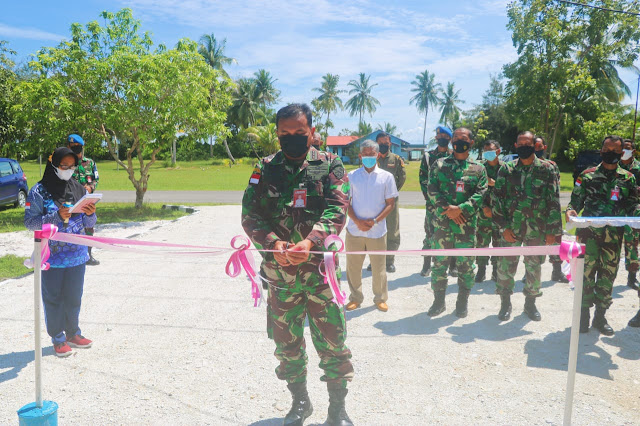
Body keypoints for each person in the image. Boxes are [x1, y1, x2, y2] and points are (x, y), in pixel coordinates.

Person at [241, 103, 353, 426]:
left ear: (312, 133)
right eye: (284, 134)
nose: (291, 139)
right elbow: (250, 214)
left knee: (333, 341)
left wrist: (311, 241)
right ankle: (300, 402)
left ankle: (337, 409)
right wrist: (273, 243)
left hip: (319, 274)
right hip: (280, 277)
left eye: (299, 134)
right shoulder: (265, 168)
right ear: (277, 134)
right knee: (286, 343)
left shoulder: (328, 165)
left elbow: (337, 207)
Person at [24, 147, 97, 357]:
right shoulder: (38, 191)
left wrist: (91, 214)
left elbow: (89, 222)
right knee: (53, 298)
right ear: (54, 164)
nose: (68, 170)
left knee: (74, 297)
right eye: (63, 166)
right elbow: (30, 223)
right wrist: (56, 216)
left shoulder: (79, 189)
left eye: (72, 167)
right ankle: (57, 338)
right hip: (51, 258)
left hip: (77, 255)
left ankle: (73, 333)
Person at [566, 135, 640, 336]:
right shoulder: (587, 176)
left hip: (613, 239)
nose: (612, 154)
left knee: (607, 278)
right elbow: (575, 202)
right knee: (585, 276)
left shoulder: (628, 178)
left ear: (621, 153)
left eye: (616, 151)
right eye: (608, 150)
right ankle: (583, 317)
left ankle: (600, 317)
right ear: (601, 150)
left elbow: (632, 204)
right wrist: (571, 211)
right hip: (588, 237)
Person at [492, 131, 561, 322]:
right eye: (520, 143)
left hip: (536, 229)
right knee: (505, 267)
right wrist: (503, 227)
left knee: (534, 267)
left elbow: (553, 200)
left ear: (534, 145)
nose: (524, 146)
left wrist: (552, 231)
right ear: (515, 145)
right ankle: (505, 303)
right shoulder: (506, 169)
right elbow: (497, 199)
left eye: (527, 143)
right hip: (511, 228)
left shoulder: (547, 169)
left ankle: (530, 304)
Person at [427, 128, 487, 318]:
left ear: (471, 142)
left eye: (463, 139)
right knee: (439, 264)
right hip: (442, 225)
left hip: (466, 227)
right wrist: (449, 210)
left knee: (466, 265)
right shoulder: (439, 164)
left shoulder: (479, 168)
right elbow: (432, 188)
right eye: (456, 139)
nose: (459, 142)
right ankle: (438, 301)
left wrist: (461, 209)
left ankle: (462, 302)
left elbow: (482, 193)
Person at [345, 139, 398, 312]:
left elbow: (390, 203)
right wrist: (357, 221)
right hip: (355, 230)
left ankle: (380, 298)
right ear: (360, 156)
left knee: (379, 268)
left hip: (377, 231)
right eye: (365, 154)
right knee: (353, 267)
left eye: (372, 154)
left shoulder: (387, 177)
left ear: (378, 155)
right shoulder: (351, 176)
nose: (368, 157)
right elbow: (346, 202)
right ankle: (355, 298)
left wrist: (375, 221)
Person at [419, 125, 457, 277]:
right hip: (433, 205)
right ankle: (427, 264)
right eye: (438, 135)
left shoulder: (454, 155)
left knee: (452, 233)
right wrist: (431, 200)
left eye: (444, 136)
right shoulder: (428, 156)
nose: (440, 138)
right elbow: (423, 180)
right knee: (430, 233)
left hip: (451, 205)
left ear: (449, 139)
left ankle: (452, 266)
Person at [366, 131, 405, 273]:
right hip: (373, 201)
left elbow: (402, 178)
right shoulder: (370, 159)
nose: (384, 145)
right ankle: (373, 261)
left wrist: (390, 193)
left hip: (391, 202)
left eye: (386, 143)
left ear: (390, 143)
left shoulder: (396, 159)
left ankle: (389, 261)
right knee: (374, 229)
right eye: (381, 143)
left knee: (392, 230)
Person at [532, 136, 569, 283]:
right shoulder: (527, 165)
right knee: (534, 241)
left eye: (539, 147)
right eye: (534, 147)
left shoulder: (551, 165)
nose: (536, 150)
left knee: (556, 240)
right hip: (535, 211)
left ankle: (557, 272)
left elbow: (556, 186)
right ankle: (530, 271)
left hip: (551, 208)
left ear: (544, 148)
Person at [68, 134, 100, 266]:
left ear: (82, 147)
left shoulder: (90, 163)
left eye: (77, 147)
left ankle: (88, 255)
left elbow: (96, 179)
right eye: (72, 147)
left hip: (87, 201)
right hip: (71, 201)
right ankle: (73, 254)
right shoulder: (66, 163)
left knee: (89, 227)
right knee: (71, 227)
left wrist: (91, 188)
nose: (75, 150)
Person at [475, 140, 503, 283]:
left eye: (490, 150)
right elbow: (474, 191)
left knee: (499, 242)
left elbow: (511, 190)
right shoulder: (480, 169)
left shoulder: (506, 169)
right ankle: (481, 270)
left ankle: (496, 270)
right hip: (484, 214)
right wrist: (484, 207)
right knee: (482, 243)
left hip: (500, 215)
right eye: (485, 150)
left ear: (498, 151)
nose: (488, 153)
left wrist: (494, 183)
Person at [619, 138, 640, 290]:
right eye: (622, 148)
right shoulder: (615, 165)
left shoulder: (638, 168)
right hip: (615, 207)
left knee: (631, 241)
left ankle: (632, 276)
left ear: (633, 151)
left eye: (627, 148)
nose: (624, 151)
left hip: (633, 209)